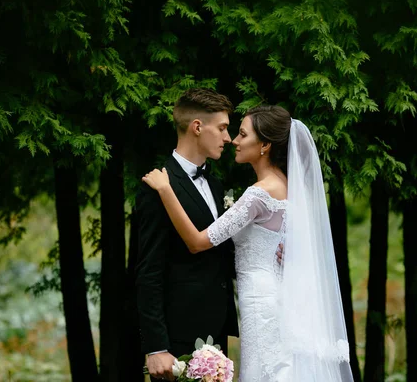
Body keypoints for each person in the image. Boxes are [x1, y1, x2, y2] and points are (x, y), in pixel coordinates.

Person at [143, 105, 354, 381]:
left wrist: (165, 189)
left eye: (242, 134)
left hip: (260, 301)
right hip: (276, 295)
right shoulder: (286, 186)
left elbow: (197, 241)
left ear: (265, 144)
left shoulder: (259, 194)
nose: (234, 140)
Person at [135, 88, 239, 381]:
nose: (228, 138)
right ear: (197, 127)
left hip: (216, 334)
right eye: (222, 128)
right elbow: (148, 271)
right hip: (177, 337)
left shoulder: (217, 186)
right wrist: (156, 346)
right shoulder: (157, 187)